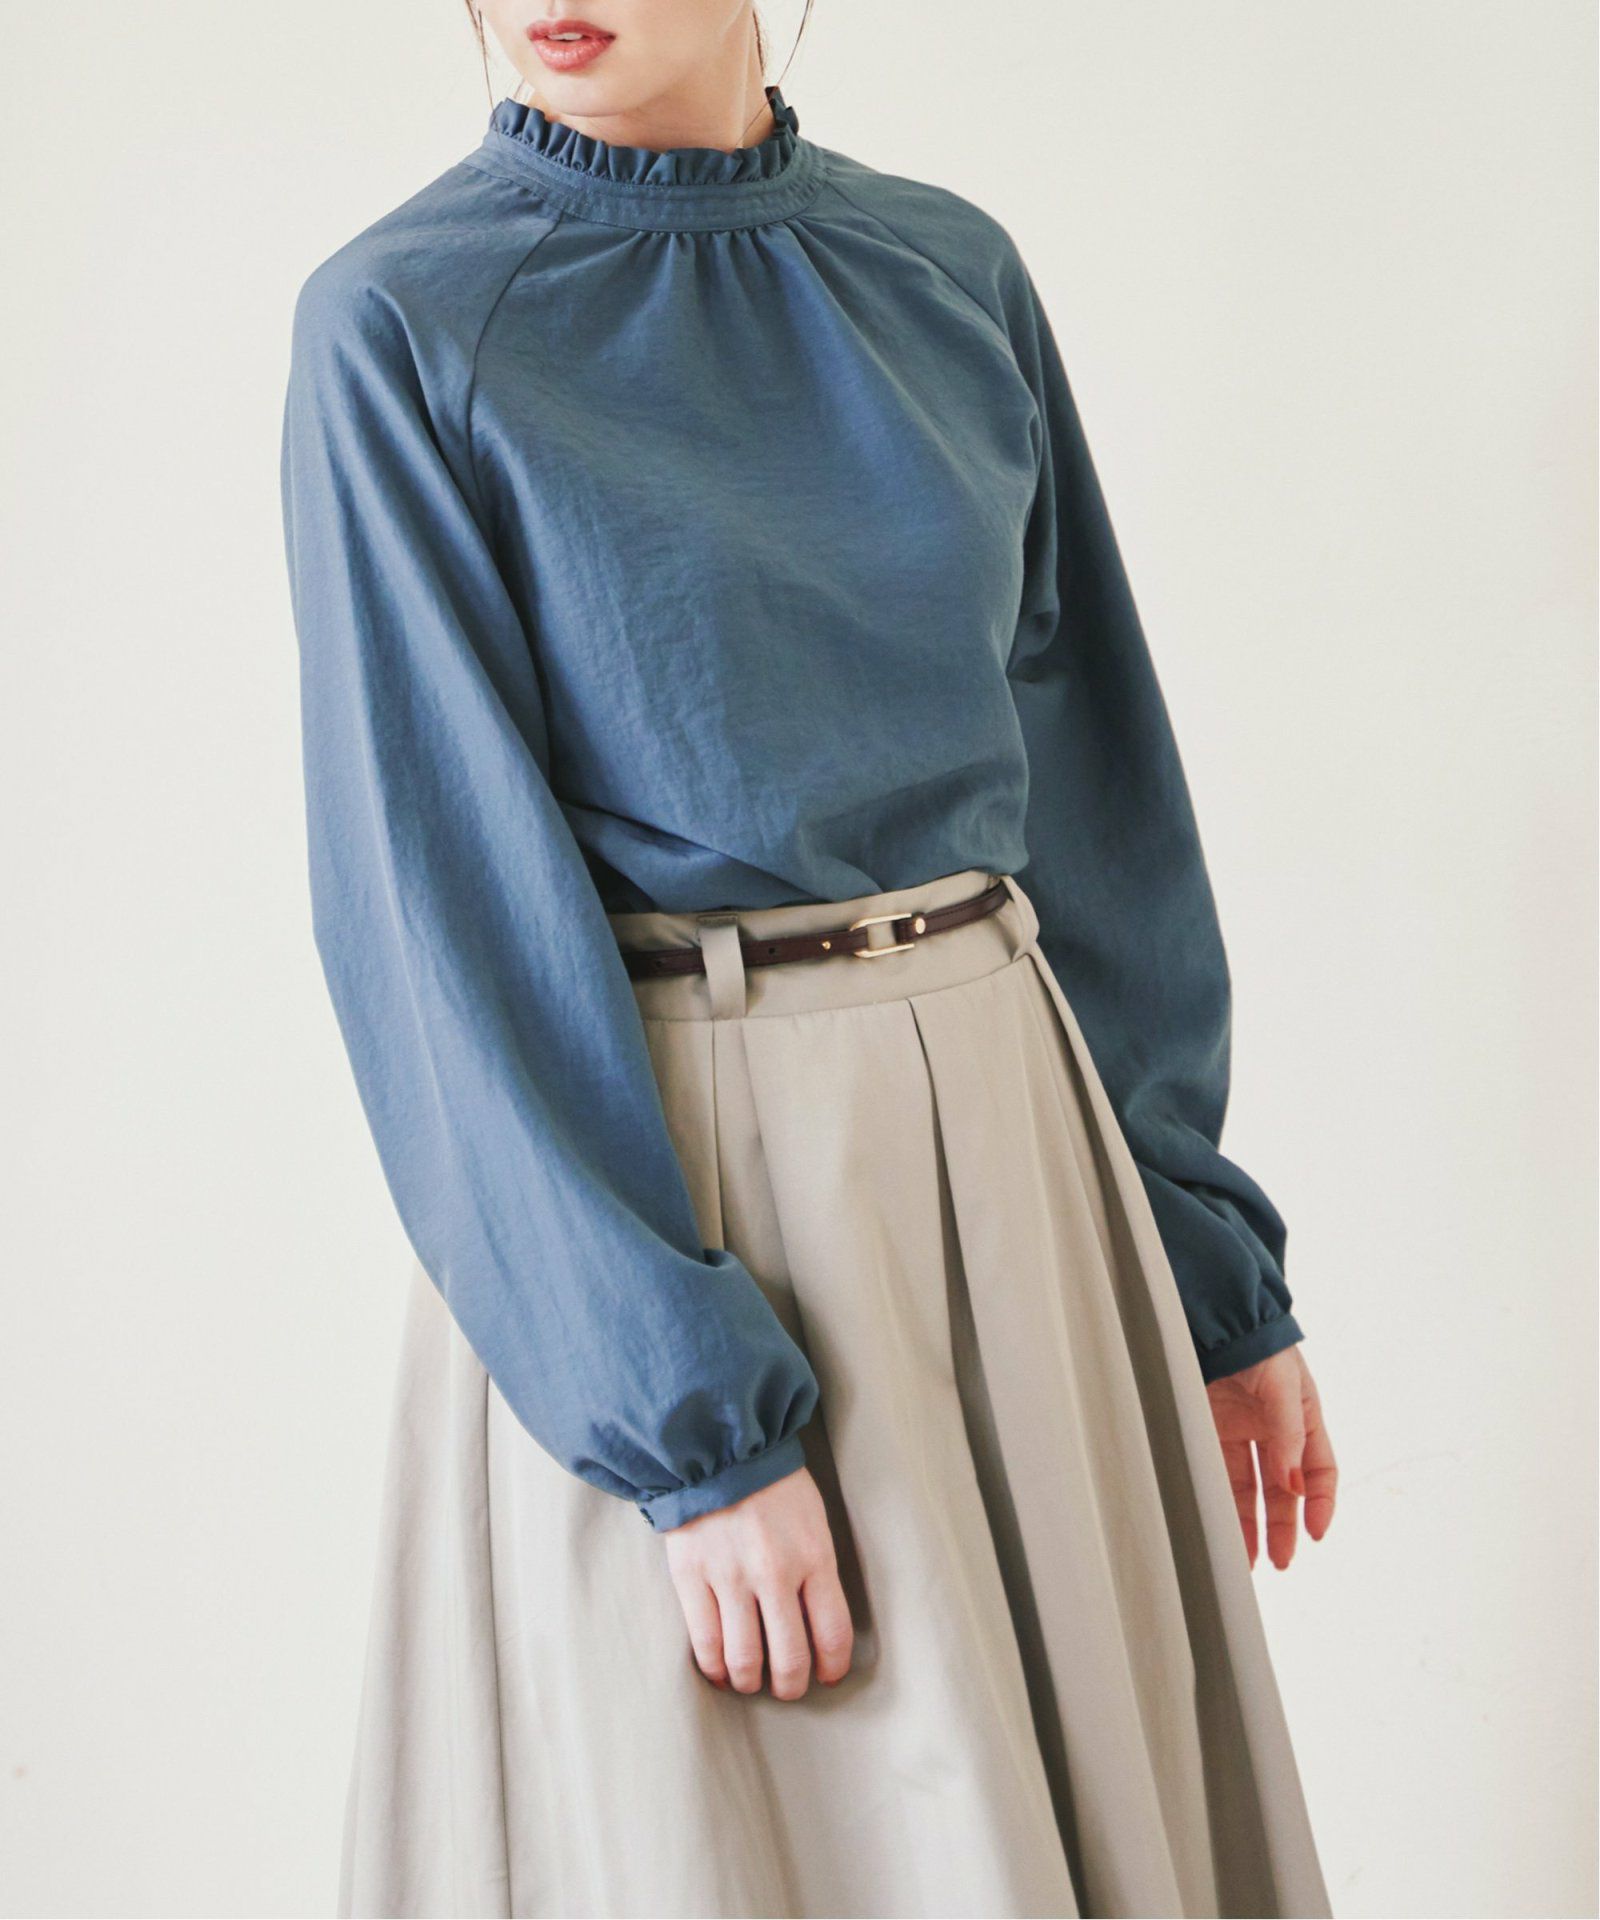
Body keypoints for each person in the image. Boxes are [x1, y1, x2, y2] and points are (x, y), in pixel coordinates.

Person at [280, 3, 1338, 1913]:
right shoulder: (405, 322)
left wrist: (1208, 1269)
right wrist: (689, 1428)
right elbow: (442, 935)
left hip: (1023, 1162)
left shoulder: (947, 272)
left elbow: (1093, 798)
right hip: (680, 1208)